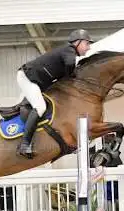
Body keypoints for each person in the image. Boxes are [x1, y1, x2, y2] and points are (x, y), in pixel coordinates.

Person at [16, 29, 94, 158]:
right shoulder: (69, 50)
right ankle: (24, 144)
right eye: (87, 44)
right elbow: (69, 65)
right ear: (77, 43)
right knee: (40, 107)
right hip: (27, 77)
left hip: (38, 81)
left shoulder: (69, 52)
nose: (88, 48)